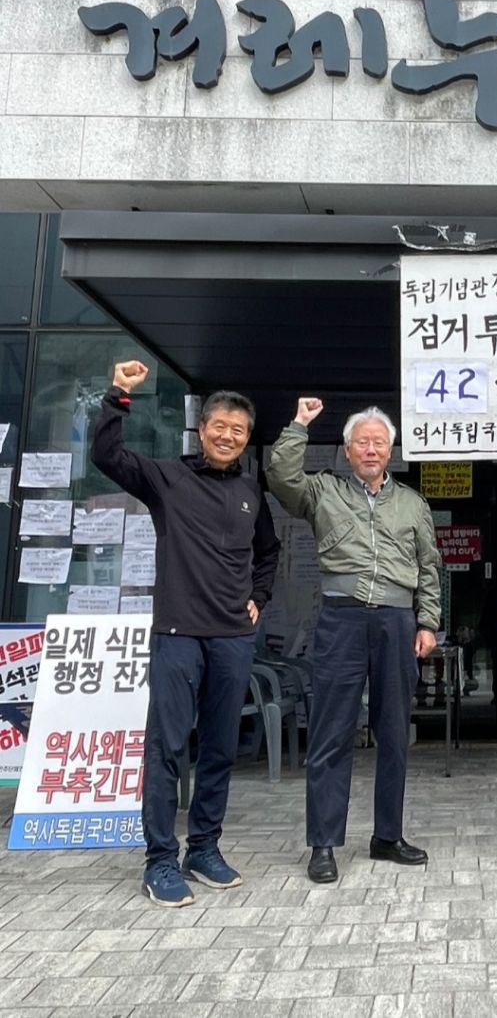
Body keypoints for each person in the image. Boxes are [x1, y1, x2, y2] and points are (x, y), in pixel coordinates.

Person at [92, 361, 280, 908]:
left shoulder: (250, 489)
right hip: (177, 632)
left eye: (238, 430)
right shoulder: (167, 478)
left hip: (232, 636)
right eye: (220, 426)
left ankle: (203, 849)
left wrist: (260, 597)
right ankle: (159, 860)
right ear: (202, 429)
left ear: (246, 437)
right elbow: (107, 456)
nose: (228, 436)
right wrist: (118, 395)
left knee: (220, 747)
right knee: (168, 747)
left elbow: (268, 552)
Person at [266, 399, 441, 882]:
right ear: (347, 450)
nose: (370, 449)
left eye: (379, 442)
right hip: (340, 618)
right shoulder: (323, 491)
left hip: (397, 621)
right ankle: (323, 844)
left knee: (394, 731)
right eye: (361, 442)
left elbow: (429, 566)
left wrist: (428, 622)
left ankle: (388, 835)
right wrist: (299, 425)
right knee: (331, 730)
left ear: (390, 450)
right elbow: (281, 477)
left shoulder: (412, 503)